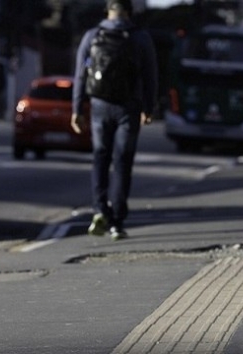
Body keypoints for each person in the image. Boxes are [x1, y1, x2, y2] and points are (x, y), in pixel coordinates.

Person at [71, 0, 158, 240]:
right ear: (129, 12)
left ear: (107, 11)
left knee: (100, 157)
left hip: (99, 106)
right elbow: (150, 75)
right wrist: (148, 107)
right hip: (128, 108)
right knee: (122, 161)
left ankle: (99, 210)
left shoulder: (92, 35)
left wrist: (77, 108)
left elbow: (80, 75)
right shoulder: (140, 37)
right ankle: (117, 221)